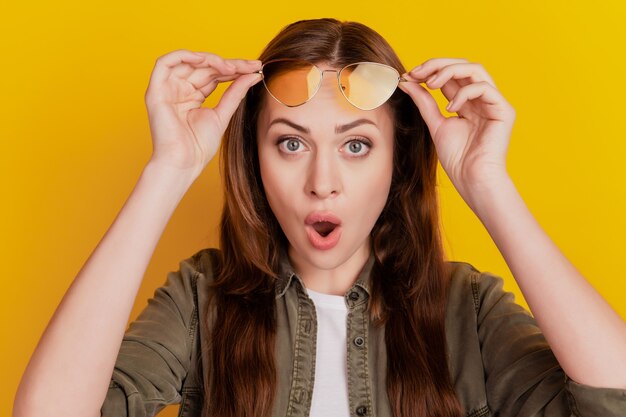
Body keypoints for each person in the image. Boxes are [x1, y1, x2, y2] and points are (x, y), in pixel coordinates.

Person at [13, 18, 626, 417]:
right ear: (254, 157)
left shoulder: (465, 308)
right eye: (290, 142)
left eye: (356, 145)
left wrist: (489, 187)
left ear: (398, 160)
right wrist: (169, 170)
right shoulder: (202, 299)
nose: (322, 183)